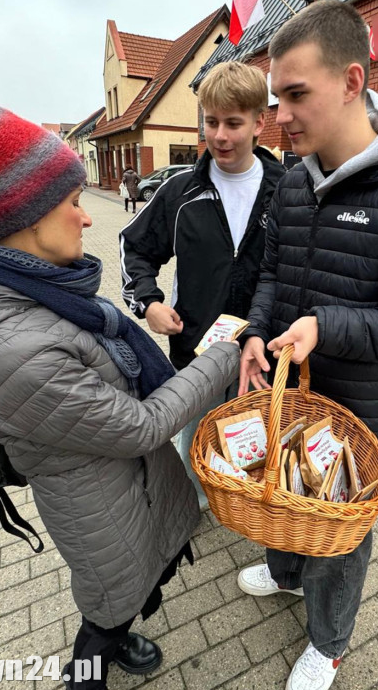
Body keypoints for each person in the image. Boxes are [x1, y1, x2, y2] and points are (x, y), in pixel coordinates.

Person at [0, 97, 240, 690]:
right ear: (30, 218)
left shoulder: (36, 289)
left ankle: (115, 643)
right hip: (95, 505)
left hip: (114, 487)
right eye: (72, 204)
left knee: (123, 590)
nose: (87, 217)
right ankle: (85, 686)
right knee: (109, 599)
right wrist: (220, 357)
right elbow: (143, 426)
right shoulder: (13, 353)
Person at [237, 0, 378, 690]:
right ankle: (283, 572)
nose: (280, 115)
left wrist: (325, 327)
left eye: (295, 94)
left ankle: (328, 642)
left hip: (359, 406)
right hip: (287, 385)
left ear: (351, 80)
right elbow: (272, 274)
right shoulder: (294, 180)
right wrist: (252, 331)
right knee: (280, 489)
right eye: (277, 98)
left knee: (336, 526)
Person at [120, 61, 285, 505]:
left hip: (264, 350)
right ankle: (194, 504)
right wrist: (148, 303)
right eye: (211, 122)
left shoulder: (288, 191)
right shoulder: (179, 194)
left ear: (258, 122)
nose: (221, 136)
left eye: (234, 123)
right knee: (197, 439)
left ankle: (248, 506)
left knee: (257, 439)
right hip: (195, 349)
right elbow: (133, 248)